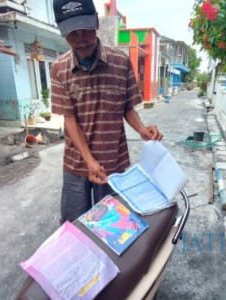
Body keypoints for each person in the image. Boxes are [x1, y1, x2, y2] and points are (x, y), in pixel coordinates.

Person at [51, 0, 163, 224]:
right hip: (76, 164)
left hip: (114, 161)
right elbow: (69, 121)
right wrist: (90, 161)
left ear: (96, 22)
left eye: (86, 32)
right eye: (73, 35)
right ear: (63, 34)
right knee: (74, 227)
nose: (81, 41)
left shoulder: (121, 62)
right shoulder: (59, 69)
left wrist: (142, 129)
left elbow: (126, 107)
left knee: (111, 226)